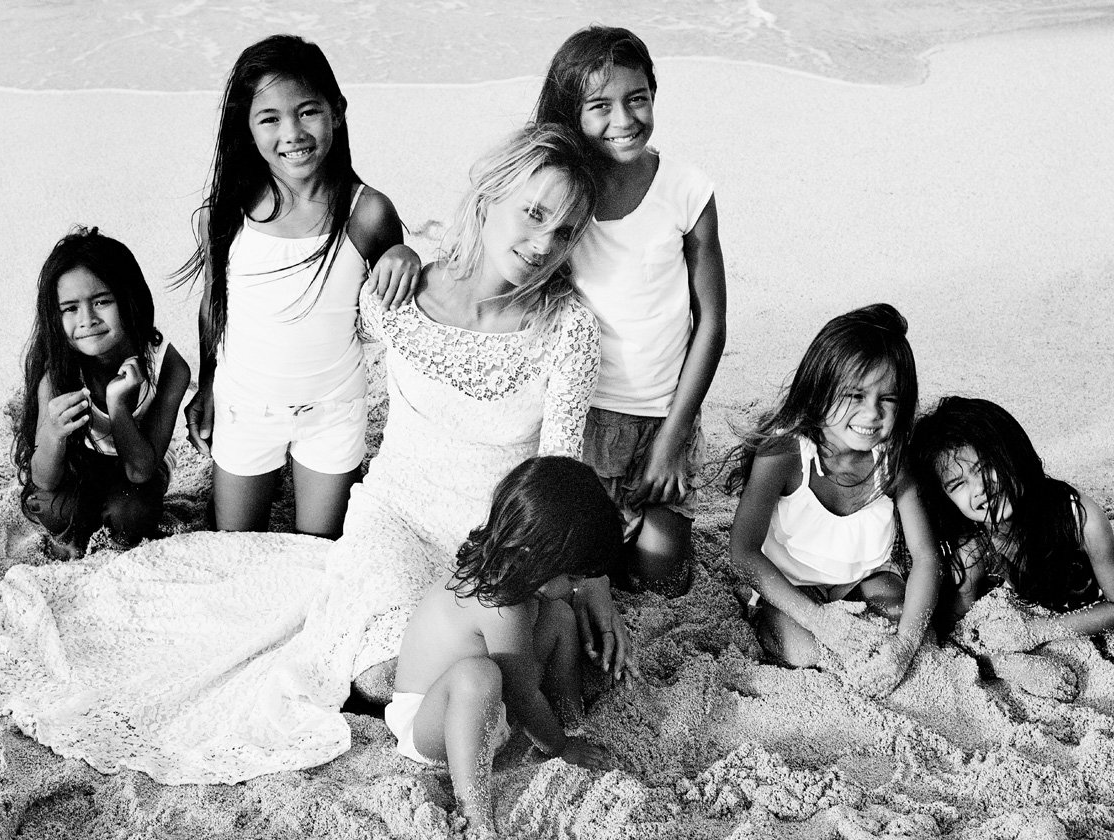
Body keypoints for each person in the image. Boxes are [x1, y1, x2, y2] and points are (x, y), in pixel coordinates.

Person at [0, 123, 633, 785]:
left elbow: (561, 468)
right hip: (397, 518)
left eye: (565, 232)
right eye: (534, 214)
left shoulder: (568, 327)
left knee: (517, 662)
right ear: (488, 200)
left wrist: (588, 578)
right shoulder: (399, 293)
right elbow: (281, 320)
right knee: (383, 673)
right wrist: (216, 389)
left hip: (505, 535)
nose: (544, 245)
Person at [174, 34, 420, 539]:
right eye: (270, 119)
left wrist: (406, 257)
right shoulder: (226, 213)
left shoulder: (366, 212)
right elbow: (214, 303)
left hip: (333, 411)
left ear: (337, 111)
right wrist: (208, 383)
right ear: (247, 128)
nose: (292, 133)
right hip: (245, 406)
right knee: (235, 542)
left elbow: (395, 305)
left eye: (308, 112)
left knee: (319, 547)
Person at [532, 26, 727, 595]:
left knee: (660, 578)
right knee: (580, 573)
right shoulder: (561, 193)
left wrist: (672, 439)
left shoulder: (687, 190)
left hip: (665, 414)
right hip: (583, 416)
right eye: (600, 106)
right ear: (571, 113)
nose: (624, 119)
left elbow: (711, 323)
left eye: (637, 98)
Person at [390, 456, 619, 833]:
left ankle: (572, 716)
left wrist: (565, 731)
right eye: (573, 576)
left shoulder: (517, 573)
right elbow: (521, 694)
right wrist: (559, 748)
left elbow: (517, 679)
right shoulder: (499, 606)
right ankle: (474, 810)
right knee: (478, 676)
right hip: (434, 723)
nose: (577, 586)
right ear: (535, 559)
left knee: (560, 617)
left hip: (489, 705)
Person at [727, 304, 940, 698]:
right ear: (819, 389)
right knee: (803, 649)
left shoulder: (894, 464)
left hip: (865, 580)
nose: (872, 413)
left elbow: (926, 558)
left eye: (888, 399)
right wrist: (820, 621)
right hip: (792, 587)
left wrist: (904, 646)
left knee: (904, 623)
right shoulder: (784, 453)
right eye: (855, 395)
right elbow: (742, 553)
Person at [911, 396, 1114, 699]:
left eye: (986, 467)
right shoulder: (973, 545)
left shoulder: (1079, 517)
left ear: (1013, 454)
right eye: (958, 485)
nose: (979, 488)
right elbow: (956, 626)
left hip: (1082, 605)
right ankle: (1001, 664)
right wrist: (1004, 651)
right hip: (1022, 615)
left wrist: (1035, 631)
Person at [14, 226, 190, 551]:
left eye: (102, 301)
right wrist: (54, 432)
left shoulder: (168, 365)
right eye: (70, 308)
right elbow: (44, 479)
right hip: (81, 466)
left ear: (129, 299)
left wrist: (118, 406)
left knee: (131, 515)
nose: (87, 319)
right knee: (52, 508)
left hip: (138, 467)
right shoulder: (58, 372)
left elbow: (140, 471)